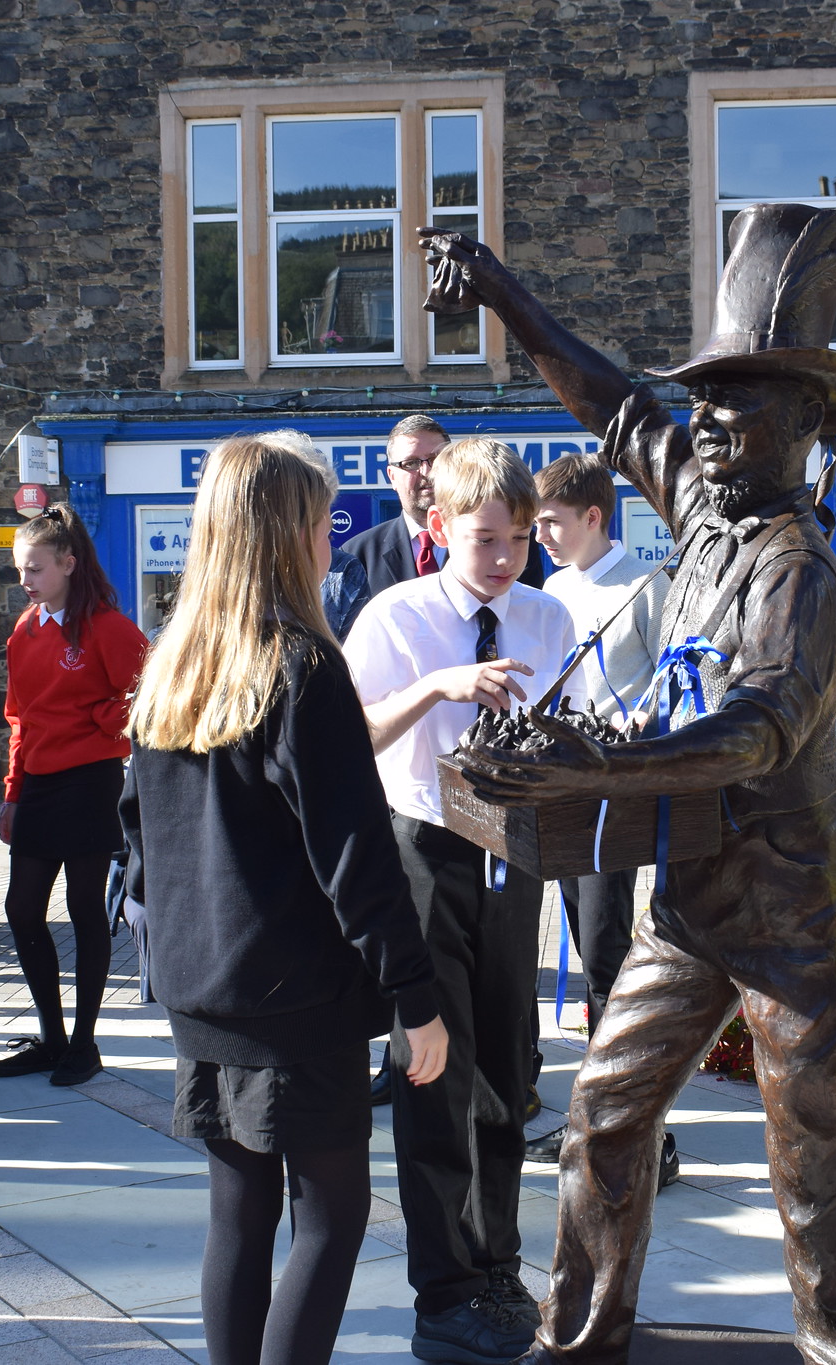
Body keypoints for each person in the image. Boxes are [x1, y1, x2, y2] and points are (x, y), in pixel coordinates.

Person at [419, 205, 836, 1365]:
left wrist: (599, 765)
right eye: (706, 398)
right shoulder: (707, 512)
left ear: (801, 421)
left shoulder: (799, 576)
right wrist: (498, 288)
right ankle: (579, 1341)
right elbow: (612, 402)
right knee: (600, 1120)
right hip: (691, 896)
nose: (707, 420)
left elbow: (754, 733)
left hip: (792, 908)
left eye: (737, 400)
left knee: (810, 1164)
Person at [120, 430, 447, 1365]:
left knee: (241, 1211)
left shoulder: (172, 664)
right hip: (296, 994)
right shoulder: (302, 666)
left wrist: (181, 943)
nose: (329, 540)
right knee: (333, 1219)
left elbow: (137, 835)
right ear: (284, 532)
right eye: (319, 521)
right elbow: (356, 855)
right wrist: (413, 998)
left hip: (205, 986)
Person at [342, 436, 580, 1360]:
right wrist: (438, 685)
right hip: (425, 851)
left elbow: (571, 722)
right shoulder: (395, 617)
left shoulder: (547, 617)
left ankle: (496, 1264)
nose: (504, 559)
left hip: (510, 853)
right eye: (485, 539)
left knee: (506, 1074)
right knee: (433, 1073)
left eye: (519, 540)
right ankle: (441, 1286)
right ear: (439, 528)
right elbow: (354, 733)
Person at [526, 452, 670, 1170]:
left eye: (550, 522)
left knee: (609, 953)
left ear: (592, 516)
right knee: (589, 953)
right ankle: (602, 1114)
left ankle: (633, 1126)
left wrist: (648, 728)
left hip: (617, 795)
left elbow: (677, 681)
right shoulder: (551, 588)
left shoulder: (647, 584)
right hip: (565, 792)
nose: (540, 535)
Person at [0, 505, 148, 1085]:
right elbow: (18, 719)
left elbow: (145, 699)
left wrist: (97, 719)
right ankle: (52, 1036)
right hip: (37, 783)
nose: (25, 581)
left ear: (68, 563)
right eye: (19, 569)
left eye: (35, 569)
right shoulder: (25, 631)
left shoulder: (108, 626)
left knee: (85, 911)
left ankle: (84, 1042)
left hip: (91, 783)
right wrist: (11, 793)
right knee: (20, 908)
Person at [339, 414, 546, 600]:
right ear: (392, 476)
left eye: (435, 459)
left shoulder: (514, 541)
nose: (427, 472)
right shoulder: (359, 553)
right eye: (410, 463)